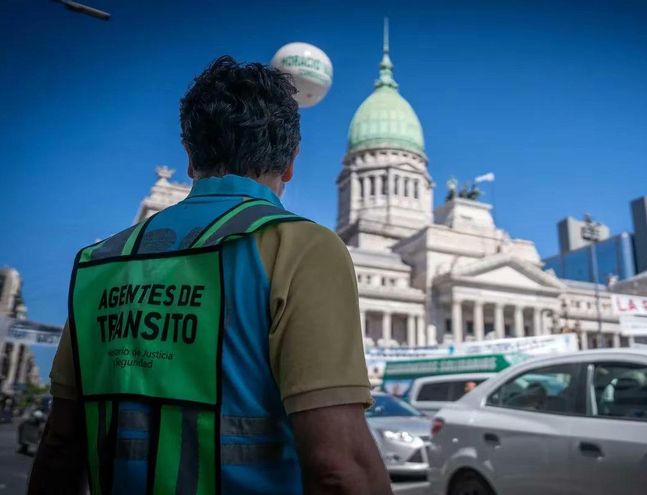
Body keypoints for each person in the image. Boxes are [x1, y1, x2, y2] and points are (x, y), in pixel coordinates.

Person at [28, 56, 392, 495]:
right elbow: (338, 465)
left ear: (190, 157)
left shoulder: (102, 261)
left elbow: (60, 443)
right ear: (291, 162)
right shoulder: (298, 247)